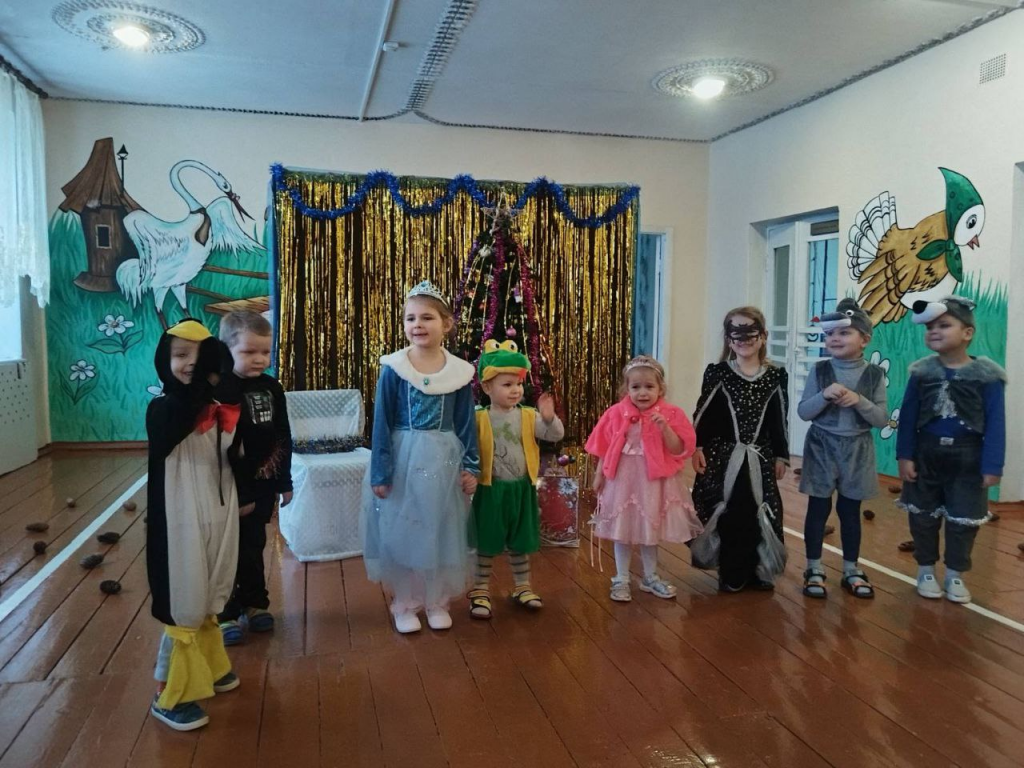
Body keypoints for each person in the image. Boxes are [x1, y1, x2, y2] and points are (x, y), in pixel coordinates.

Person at [361, 280, 479, 633]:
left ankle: (436, 601)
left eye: (427, 317)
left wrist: (470, 466)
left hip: (444, 461)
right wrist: (381, 472)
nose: (418, 325)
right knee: (407, 530)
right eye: (410, 318)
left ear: (446, 323)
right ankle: (406, 602)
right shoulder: (395, 368)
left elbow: (466, 423)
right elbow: (382, 422)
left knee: (441, 530)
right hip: (404, 460)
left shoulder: (459, 373)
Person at [146, 319, 241, 731]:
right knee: (185, 595)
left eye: (201, 356)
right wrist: (207, 384)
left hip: (218, 511)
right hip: (180, 516)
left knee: (212, 585)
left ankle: (211, 664)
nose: (191, 363)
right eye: (181, 355)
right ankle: (171, 693)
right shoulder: (164, 409)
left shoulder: (221, 405)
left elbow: (237, 452)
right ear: (164, 360)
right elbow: (181, 415)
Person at [897, 296, 1005, 604]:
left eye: (944, 325)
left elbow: (996, 422)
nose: (934, 331)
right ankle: (926, 570)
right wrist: (905, 455)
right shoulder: (921, 374)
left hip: (968, 458)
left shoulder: (988, 377)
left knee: (963, 519)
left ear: (967, 333)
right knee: (922, 517)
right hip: (926, 454)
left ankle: (955, 574)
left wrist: (992, 465)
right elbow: (908, 417)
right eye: (929, 327)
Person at [586, 355, 701, 602]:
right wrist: (599, 475)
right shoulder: (616, 413)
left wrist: (665, 428)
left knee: (650, 527)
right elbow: (605, 446)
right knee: (622, 529)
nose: (642, 392)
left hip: (652, 483)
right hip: (622, 480)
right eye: (635, 387)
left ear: (661, 388)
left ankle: (650, 576)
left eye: (649, 386)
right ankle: (621, 577)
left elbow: (679, 448)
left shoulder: (670, 414)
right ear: (626, 389)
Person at [691, 307, 789, 592]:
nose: (744, 339)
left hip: (760, 457)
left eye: (750, 331)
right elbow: (703, 413)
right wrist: (697, 446)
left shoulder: (775, 376)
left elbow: (779, 418)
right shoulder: (718, 373)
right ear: (728, 339)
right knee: (730, 511)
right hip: (723, 457)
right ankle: (731, 571)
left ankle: (756, 570)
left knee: (759, 511)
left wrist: (781, 455)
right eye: (736, 332)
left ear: (763, 335)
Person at [797, 298, 888, 599]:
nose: (835, 338)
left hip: (858, 449)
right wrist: (824, 395)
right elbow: (804, 412)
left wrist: (859, 401)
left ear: (865, 339)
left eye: (844, 332)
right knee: (818, 508)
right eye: (830, 333)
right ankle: (813, 567)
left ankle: (851, 568)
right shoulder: (820, 370)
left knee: (850, 511)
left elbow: (881, 419)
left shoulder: (874, 375)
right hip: (821, 446)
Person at [468, 339, 564, 619]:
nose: (516, 390)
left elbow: (554, 435)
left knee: (520, 541)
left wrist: (549, 418)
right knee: (486, 541)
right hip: (490, 489)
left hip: (521, 489)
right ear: (487, 387)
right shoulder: (479, 417)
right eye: (507, 384)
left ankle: (523, 586)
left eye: (519, 384)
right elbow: (467, 447)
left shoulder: (528, 416)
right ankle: (480, 589)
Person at [215, 310, 293, 645]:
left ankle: (255, 602)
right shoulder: (221, 390)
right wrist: (241, 493)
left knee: (253, 545)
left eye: (265, 351)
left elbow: (282, 435)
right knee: (226, 551)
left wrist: (284, 482)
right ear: (226, 350)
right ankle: (225, 612)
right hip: (229, 488)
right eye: (248, 352)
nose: (260, 359)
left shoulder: (271, 387)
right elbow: (224, 448)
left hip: (263, 484)